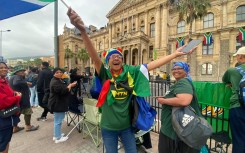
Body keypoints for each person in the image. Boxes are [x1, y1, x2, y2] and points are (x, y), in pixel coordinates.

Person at [67, 8, 196, 153]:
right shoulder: (105, 74)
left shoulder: (132, 72)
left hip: (127, 128)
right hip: (108, 128)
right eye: (112, 57)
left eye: (119, 56)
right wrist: (83, 32)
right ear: (108, 62)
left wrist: (174, 54)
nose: (116, 58)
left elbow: (153, 64)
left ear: (122, 61)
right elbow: (95, 59)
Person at [156, 62, 201, 153]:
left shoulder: (183, 82)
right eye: (174, 69)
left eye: (179, 68)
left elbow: (184, 100)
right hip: (172, 130)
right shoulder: (180, 82)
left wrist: (163, 101)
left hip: (175, 132)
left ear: (186, 71)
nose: (176, 70)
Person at [222, 46, 245, 153]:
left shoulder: (233, 71)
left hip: (238, 106)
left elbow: (224, 79)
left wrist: (231, 83)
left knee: (239, 139)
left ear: (241, 57)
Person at [48, 67, 77, 143]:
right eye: (57, 72)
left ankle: (57, 134)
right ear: (54, 73)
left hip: (59, 103)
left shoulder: (58, 80)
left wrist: (70, 85)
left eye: (60, 72)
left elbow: (64, 88)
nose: (59, 73)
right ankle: (58, 138)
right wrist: (70, 86)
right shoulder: (55, 82)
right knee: (58, 121)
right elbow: (63, 91)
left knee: (58, 120)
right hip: (57, 104)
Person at [9, 65, 39, 132]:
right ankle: (28, 126)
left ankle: (15, 127)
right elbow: (16, 83)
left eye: (23, 71)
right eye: (20, 71)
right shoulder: (17, 77)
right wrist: (27, 82)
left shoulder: (13, 77)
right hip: (22, 99)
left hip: (17, 99)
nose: (23, 72)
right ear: (16, 72)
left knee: (17, 113)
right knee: (28, 112)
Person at [0, 60, 21, 153]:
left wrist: (14, 94)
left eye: (5, 67)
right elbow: (2, 102)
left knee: (6, 141)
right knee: (3, 144)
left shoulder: (4, 81)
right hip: (3, 118)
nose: (4, 69)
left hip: (8, 117)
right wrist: (17, 97)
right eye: (1, 68)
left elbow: (7, 95)